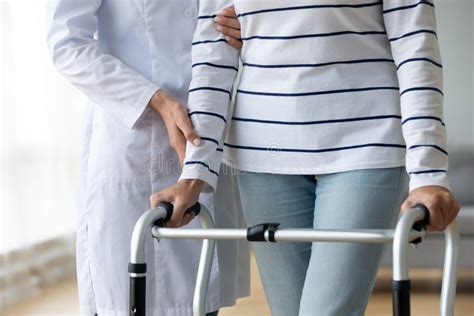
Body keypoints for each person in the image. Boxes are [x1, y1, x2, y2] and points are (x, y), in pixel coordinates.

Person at [154, 0, 461, 315]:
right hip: (264, 155)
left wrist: (429, 174)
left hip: (366, 146)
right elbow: (212, 63)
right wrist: (193, 175)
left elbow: (416, 49)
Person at [46, 1, 249, 315]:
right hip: (134, 142)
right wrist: (158, 100)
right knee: (132, 299)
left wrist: (252, 28)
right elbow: (67, 46)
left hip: (207, 133)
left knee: (198, 301)